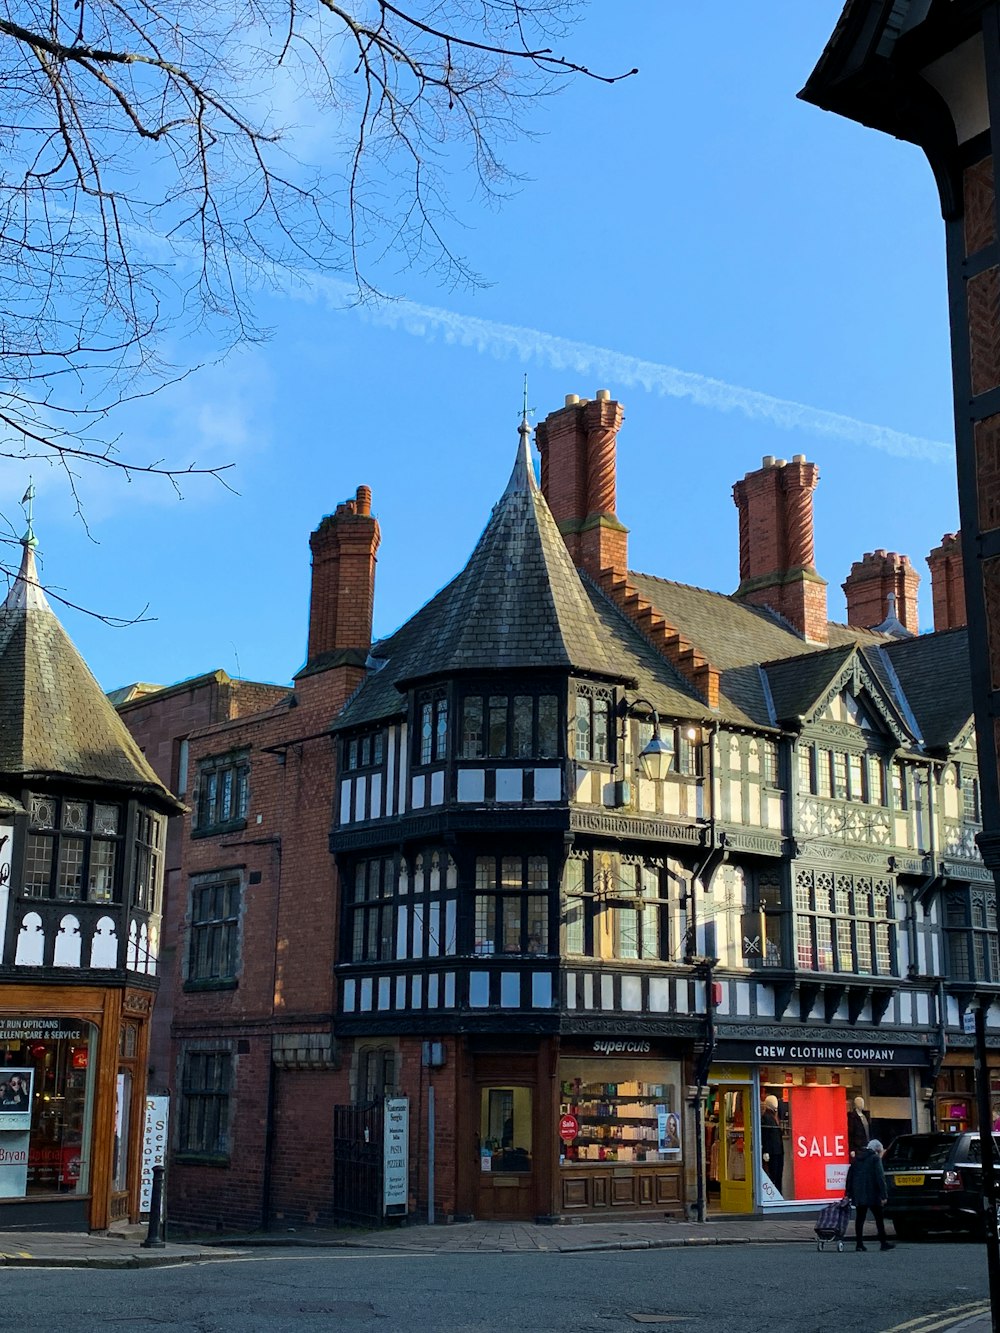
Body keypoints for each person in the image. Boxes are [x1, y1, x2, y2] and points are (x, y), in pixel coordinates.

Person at [846, 1138, 895, 1251]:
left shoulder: (857, 1158)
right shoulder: (875, 1158)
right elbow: (880, 1178)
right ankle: (883, 1243)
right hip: (873, 1194)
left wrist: (849, 1192)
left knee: (860, 1219)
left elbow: (850, 1176)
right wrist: (884, 1195)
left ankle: (859, 1244)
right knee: (879, 1218)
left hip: (859, 1194)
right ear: (877, 1150)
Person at [760, 1094, 784, 1192]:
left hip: (778, 1151)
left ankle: (778, 1193)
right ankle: (774, 1194)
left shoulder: (774, 1116)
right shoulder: (765, 1117)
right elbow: (765, 1135)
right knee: (773, 1175)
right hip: (772, 1152)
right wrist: (765, 1151)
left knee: (778, 1175)